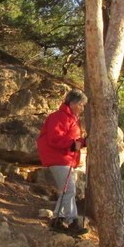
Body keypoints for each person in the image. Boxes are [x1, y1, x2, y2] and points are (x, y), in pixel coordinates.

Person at [36, 89, 88, 236]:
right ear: (72, 103)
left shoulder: (71, 119)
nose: (82, 108)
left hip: (65, 158)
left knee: (66, 190)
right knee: (69, 190)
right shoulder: (59, 117)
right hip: (58, 158)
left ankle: (57, 220)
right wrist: (73, 145)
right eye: (81, 105)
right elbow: (54, 138)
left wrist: (83, 142)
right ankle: (72, 222)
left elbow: (73, 140)